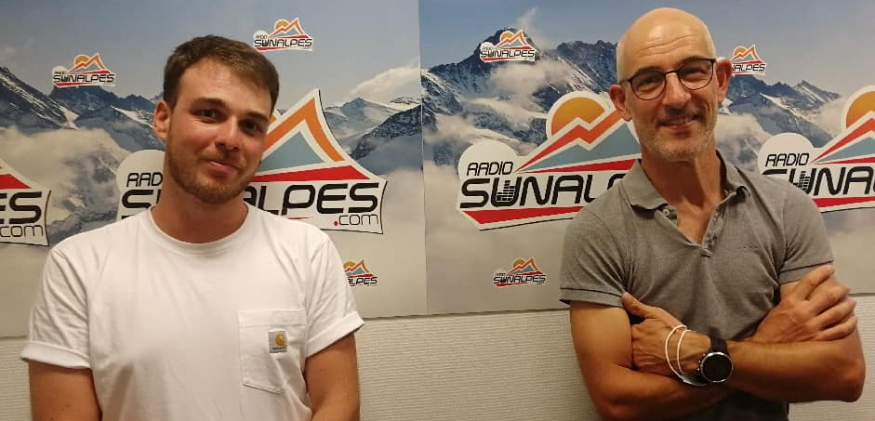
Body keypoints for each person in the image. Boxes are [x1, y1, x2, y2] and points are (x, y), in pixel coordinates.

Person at [22, 35, 363, 421]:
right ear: (163, 119)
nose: (230, 139)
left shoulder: (308, 251)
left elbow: (340, 405)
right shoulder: (78, 266)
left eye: (250, 125)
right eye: (210, 114)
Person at [559, 8, 864, 421]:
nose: (676, 97)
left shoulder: (786, 209)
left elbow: (843, 374)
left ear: (720, 81)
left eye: (692, 72)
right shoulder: (598, 231)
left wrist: (702, 353)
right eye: (649, 81)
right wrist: (766, 344)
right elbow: (618, 403)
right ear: (621, 102)